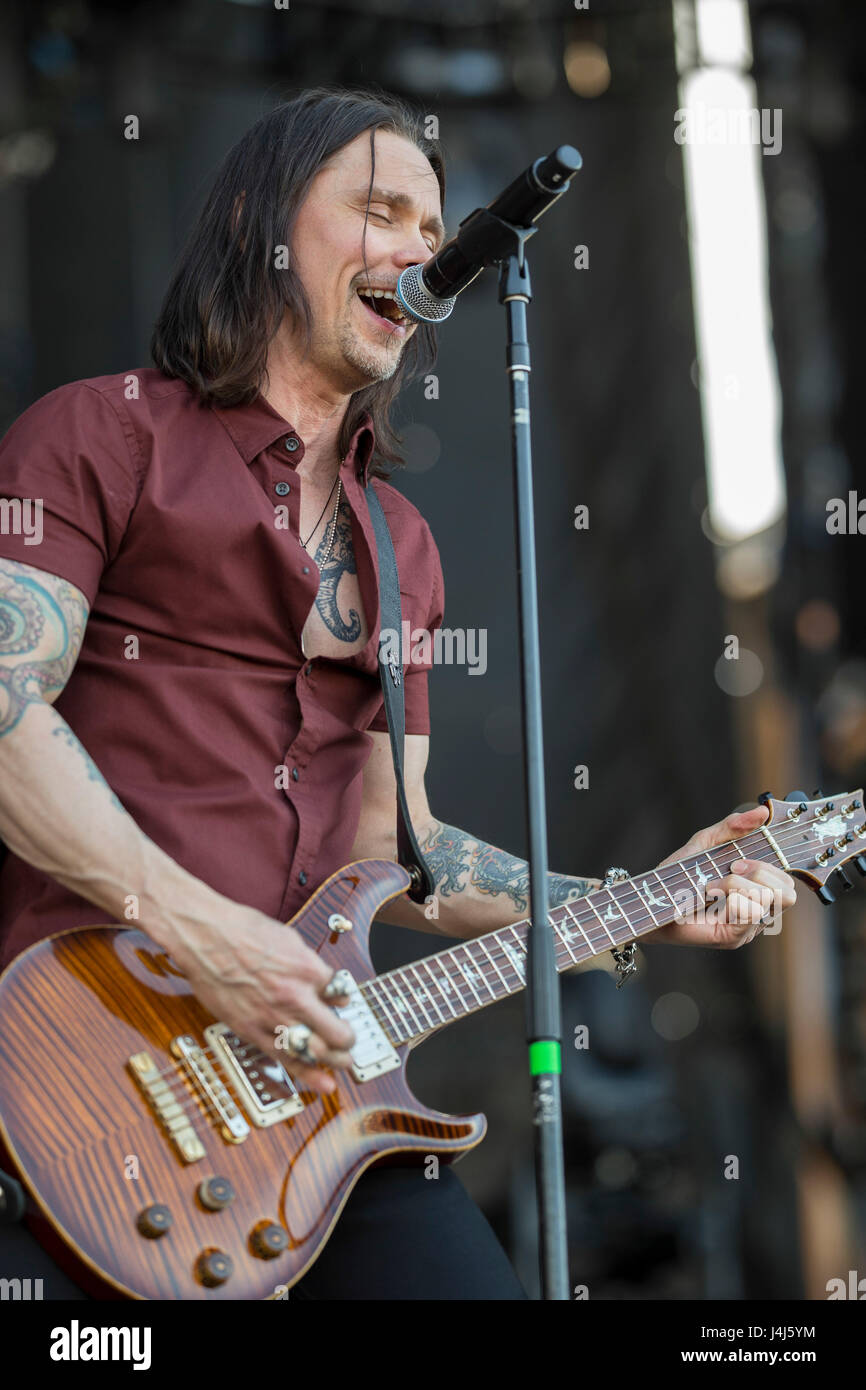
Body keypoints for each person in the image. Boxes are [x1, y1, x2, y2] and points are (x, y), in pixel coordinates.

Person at [0, 87, 796, 1300]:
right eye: (378, 211)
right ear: (259, 225)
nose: (421, 250)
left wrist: (640, 899)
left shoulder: (400, 545)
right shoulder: (103, 441)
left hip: (322, 1097)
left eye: (432, 228)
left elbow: (395, 845)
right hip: (89, 1069)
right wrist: (199, 929)